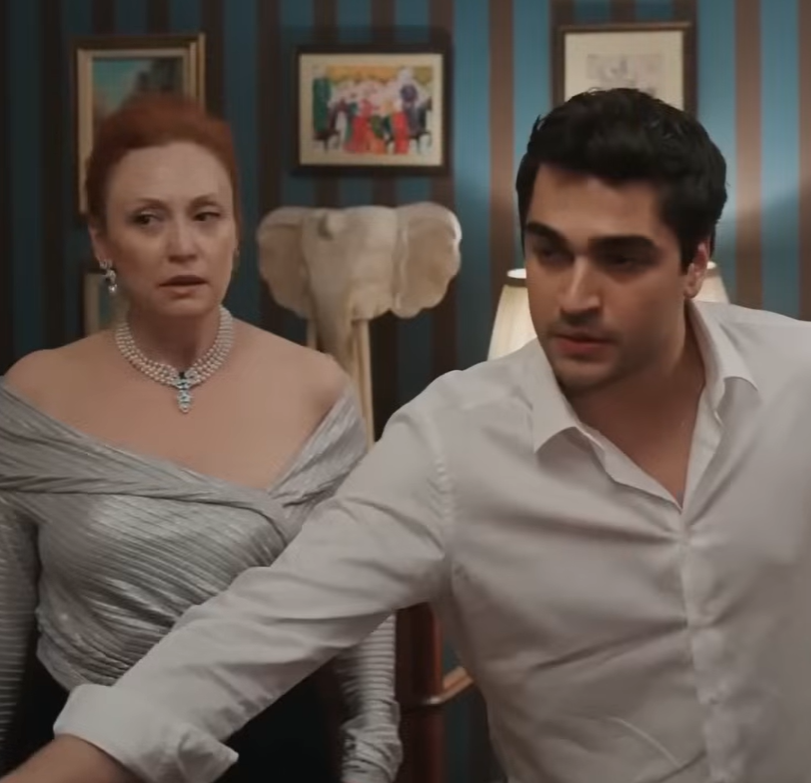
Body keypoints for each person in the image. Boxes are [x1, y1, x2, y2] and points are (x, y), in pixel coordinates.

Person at [6, 85, 811, 783]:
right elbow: (249, 632)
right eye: (548, 251)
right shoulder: (448, 449)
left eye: (621, 259)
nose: (573, 296)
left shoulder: (796, 383)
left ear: (693, 263)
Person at [0, 93, 401, 783]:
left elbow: (360, 601)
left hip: (267, 751)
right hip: (76, 751)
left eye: (206, 215)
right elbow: (5, 626)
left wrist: (371, 753)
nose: (182, 246)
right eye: (146, 219)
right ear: (102, 242)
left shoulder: (316, 390)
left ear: (235, 231)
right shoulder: (35, 395)